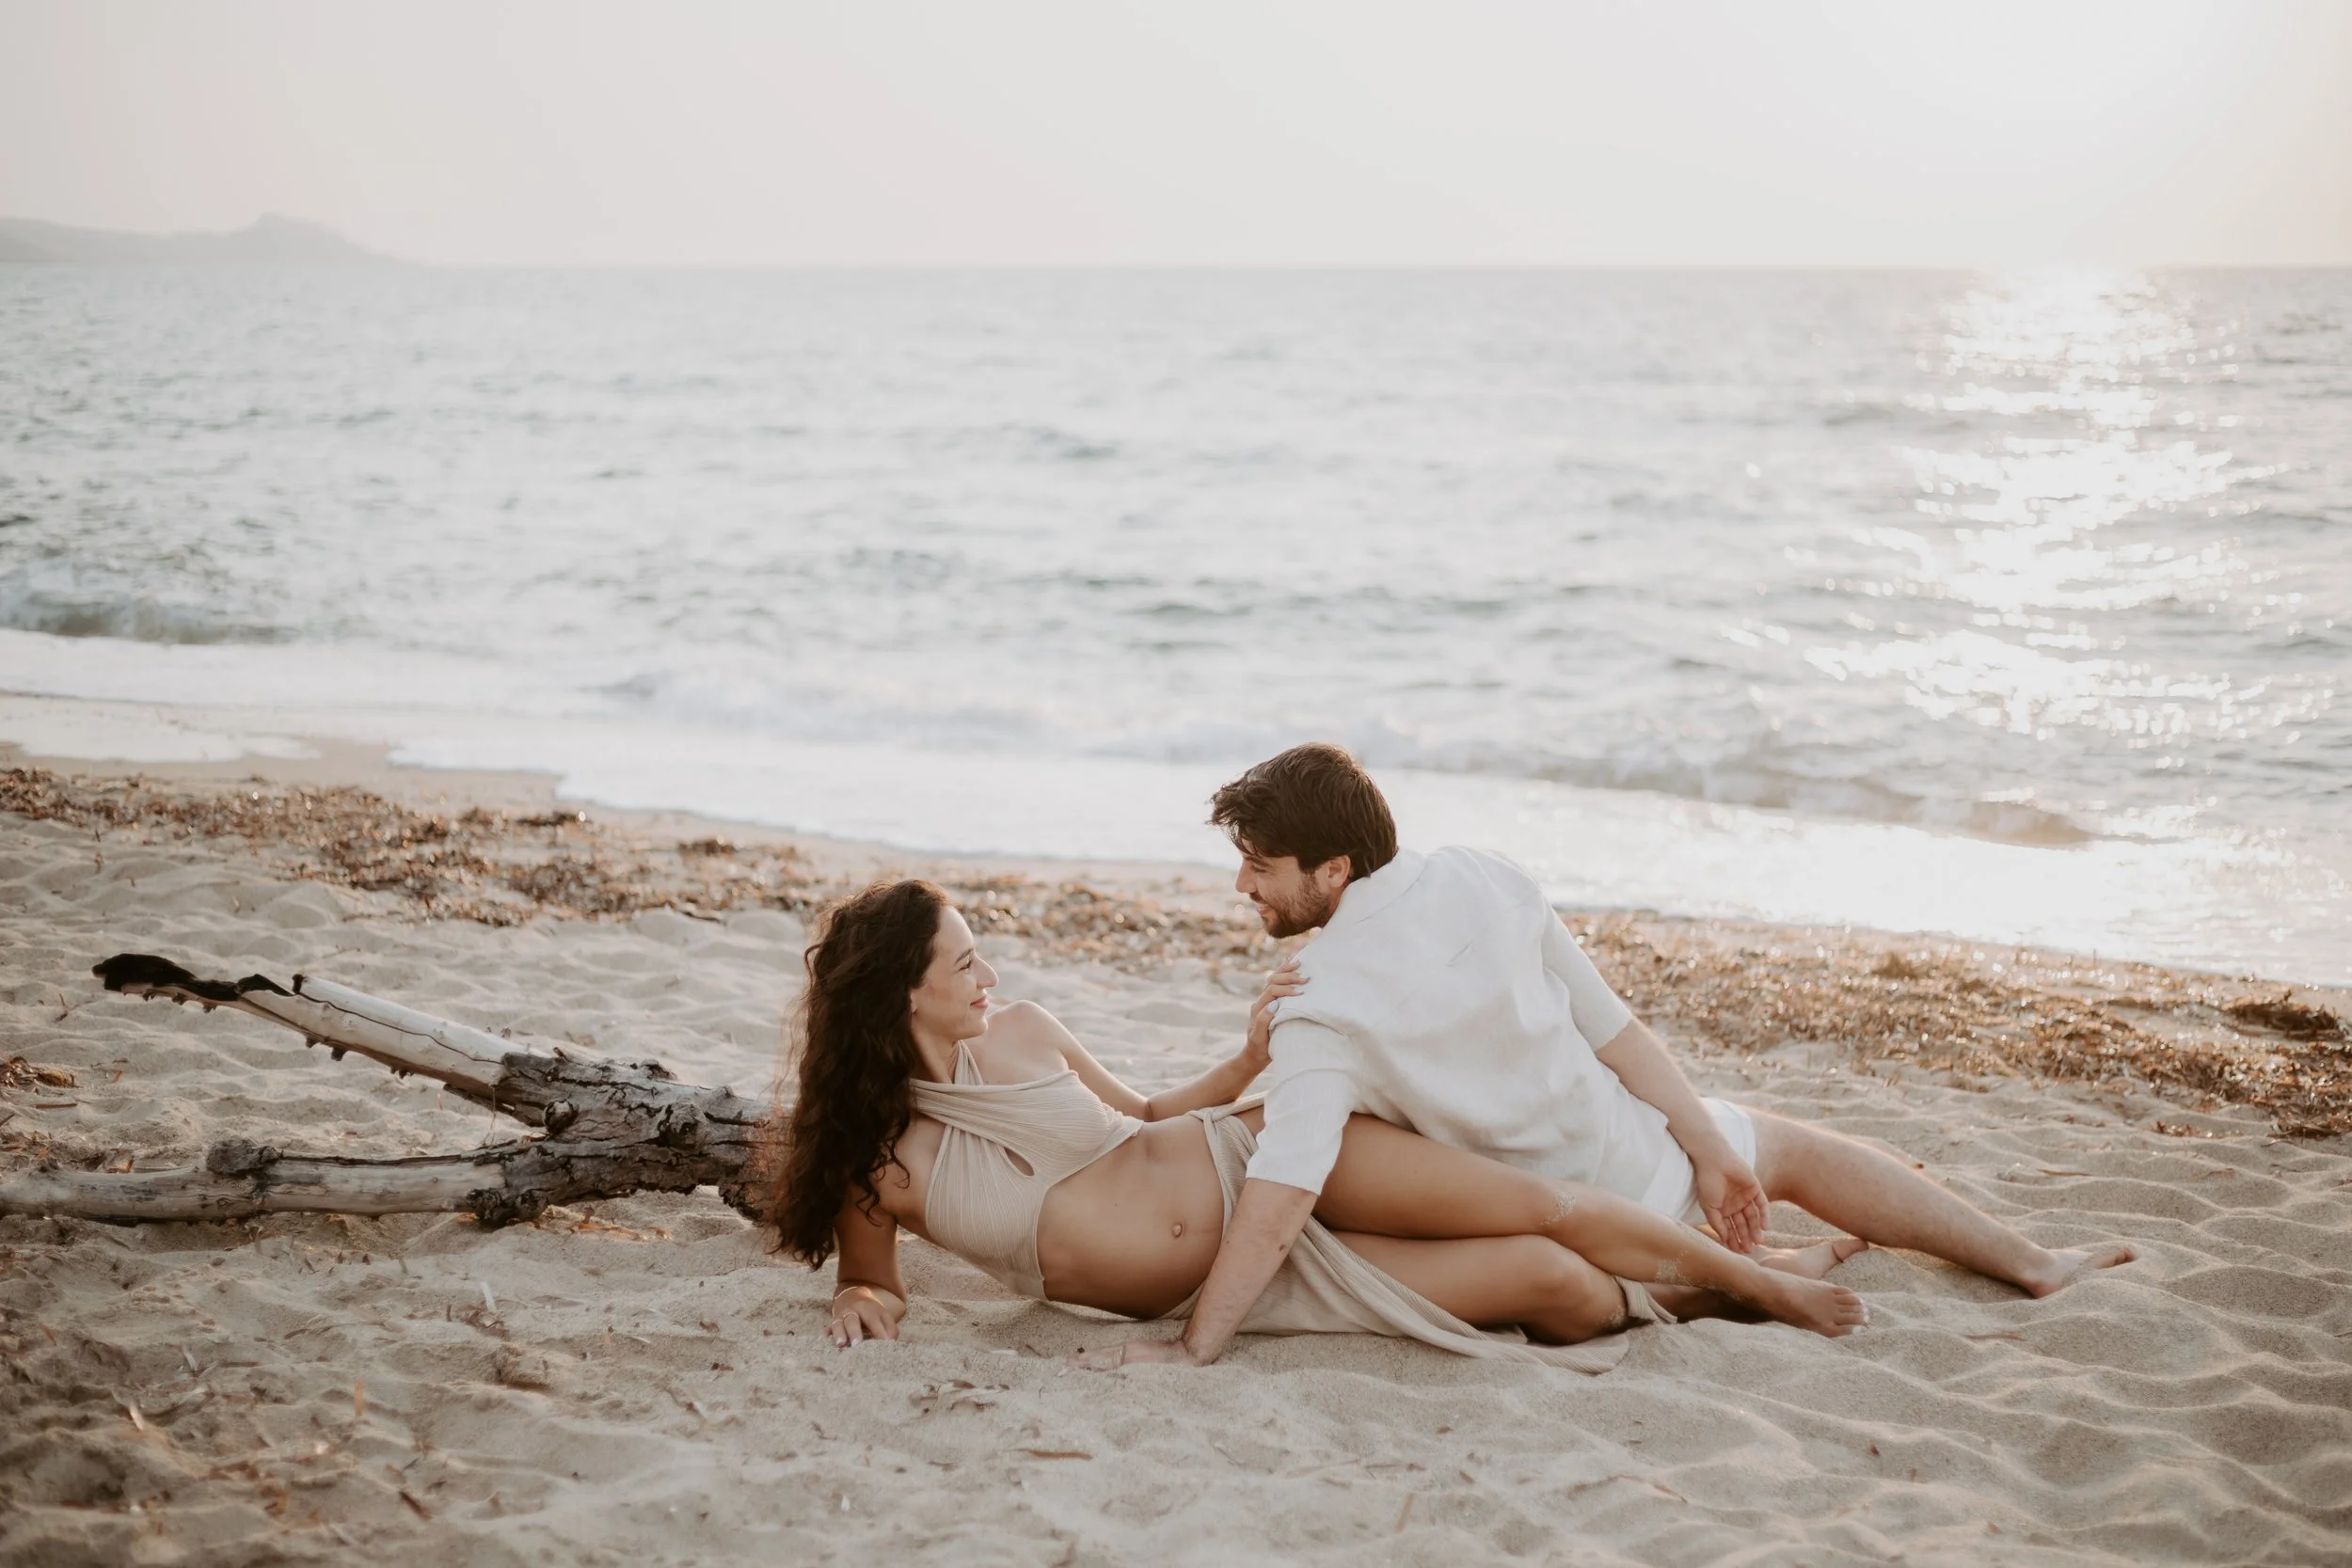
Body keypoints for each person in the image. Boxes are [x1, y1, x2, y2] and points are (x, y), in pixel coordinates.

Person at [1104, 743, 2136, 1369]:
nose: (1245, 887)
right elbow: (1616, 1031)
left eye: (1259, 866)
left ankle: (1753, 1269)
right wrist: (1709, 1150)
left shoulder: (1317, 1006)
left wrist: (1197, 1343)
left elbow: (1283, 1190)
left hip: (1591, 1237)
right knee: (1784, 1142)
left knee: (1699, 1185)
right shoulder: (1484, 873)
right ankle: (2032, 1261)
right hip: (1639, 1156)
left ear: (1333, 868)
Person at [765, 879, 1869, 1370]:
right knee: (1552, 1282)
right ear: (900, 993)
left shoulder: (1027, 1028)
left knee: (1546, 1204)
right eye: (965, 960)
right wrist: (863, 1301)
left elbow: (1145, 1116)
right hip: (1250, 1280)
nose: (989, 971)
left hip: (1260, 1155)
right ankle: (1719, 1288)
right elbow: (876, 1282)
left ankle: (1767, 1279)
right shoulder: (881, 1167)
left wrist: (1248, 1060)